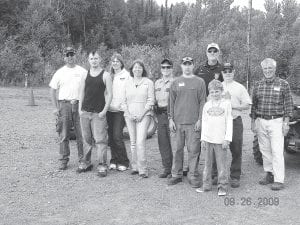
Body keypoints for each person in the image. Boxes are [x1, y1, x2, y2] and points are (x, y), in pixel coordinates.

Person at [251, 58, 293, 191]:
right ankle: (269, 174)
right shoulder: (257, 85)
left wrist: (286, 123)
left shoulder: (283, 84)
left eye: (270, 68)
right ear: (262, 70)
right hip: (261, 120)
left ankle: (279, 179)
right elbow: (254, 105)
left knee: (277, 151)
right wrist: (253, 121)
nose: (268, 71)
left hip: (277, 121)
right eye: (265, 69)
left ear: (275, 69)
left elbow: (288, 105)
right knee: (265, 150)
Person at [168, 57, 206, 188]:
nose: (187, 67)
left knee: (194, 150)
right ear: (181, 66)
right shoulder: (175, 82)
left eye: (190, 64)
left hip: (193, 123)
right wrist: (170, 119)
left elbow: (202, 102)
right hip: (177, 123)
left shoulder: (200, 82)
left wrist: (200, 119)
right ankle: (176, 175)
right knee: (177, 149)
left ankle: (193, 175)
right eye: (185, 64)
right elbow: (171, 102)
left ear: (193, 66)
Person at [49, 47, 87, 170]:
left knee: (81, 135)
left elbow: (88, 89)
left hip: (79, 105)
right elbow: (52, 90)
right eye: (68, 55)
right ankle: (63, 159)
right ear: (64, 57)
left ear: (75, 56)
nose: (70, 57)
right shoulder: (60, 72)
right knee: (64, 134)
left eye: (72, 54)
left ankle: (83, 159)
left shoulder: (82, 71)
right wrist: (55, 107)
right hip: (64, 105)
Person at [77, 50, 112, 177]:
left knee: (100, 140)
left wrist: (104, 110)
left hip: (99, 113)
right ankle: (86, 162)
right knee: (86, 139)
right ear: (88, 60)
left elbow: (109, 94)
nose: (94, 61)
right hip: (85, 112)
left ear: (100, 59)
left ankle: (102, 165)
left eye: (96, 58)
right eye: (91, 58)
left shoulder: (106, 75)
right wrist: (80, 109)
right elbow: (81, 92)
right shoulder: (85, 75)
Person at [196, 80, 232, 196]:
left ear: (221, 91)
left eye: (217, 91)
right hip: (208, 139)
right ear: (209, 93)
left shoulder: (226, 104)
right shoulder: (207, 105)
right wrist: (203, 139)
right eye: (212, 92)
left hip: (221, 140)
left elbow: (229, 122)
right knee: (207, 164)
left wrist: (227, 139)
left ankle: (222, 186)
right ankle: (206, 185)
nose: (215, 94)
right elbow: (205, 123)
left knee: (222, 165)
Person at [221, 62, 252, 188]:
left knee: (236, 149)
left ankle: (235, 176)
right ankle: (217, 174)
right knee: (219, 149)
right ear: (222, 73)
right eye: (225, 71)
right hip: (220, 123)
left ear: (234, 72)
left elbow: (247, 104)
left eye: (230, 71)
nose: (227, 73)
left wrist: (234, 106)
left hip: (235, 121)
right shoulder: (218, 86)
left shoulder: (240, 87)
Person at [122, 60, 154, 178]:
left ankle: (143, 169)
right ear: (132, 69)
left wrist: (142, 113)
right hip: (129, 116)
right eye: (135, 67)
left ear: (143, 69)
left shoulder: (148, 82)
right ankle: (134, 166)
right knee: (133, 143)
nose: (137, 69)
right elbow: (123, 101)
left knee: (140, 142)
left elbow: (151, 100)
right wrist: (128, 114)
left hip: (144, 115)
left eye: (140, 67)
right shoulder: (127, 83)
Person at [107, 53, 130, 171]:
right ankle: (114, 160)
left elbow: (129, 92)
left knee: (117, 136)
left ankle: (124, 161)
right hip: (109, 110)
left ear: (121, 62)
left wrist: (124, 105)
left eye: (117, 61)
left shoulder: (126, 75)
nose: (115, 63)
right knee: (110, 137)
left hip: (120, 111)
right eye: (113, 61)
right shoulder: (109, 75)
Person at [154, 58, 174, 178]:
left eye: (168, 67)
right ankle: (167, 168)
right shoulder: (157, 83)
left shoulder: (176, 82)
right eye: (163, 67)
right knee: (163, 142)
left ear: (172, 68)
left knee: (174, 143)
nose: (165, 69)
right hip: (160, 115)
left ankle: (176, 168)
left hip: (172, 115)